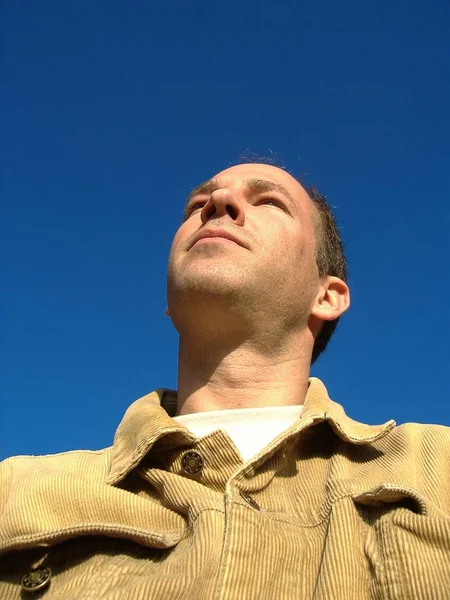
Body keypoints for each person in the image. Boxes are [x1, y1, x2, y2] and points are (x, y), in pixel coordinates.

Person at [1, 162, 449, 599]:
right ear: (169, 303)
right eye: (198, 202)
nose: (217, 201)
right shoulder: (15, 489)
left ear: (326, 295)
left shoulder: (435, 468)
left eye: (270, 202)